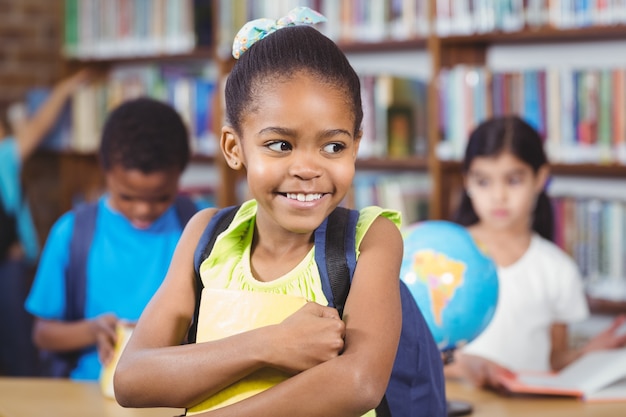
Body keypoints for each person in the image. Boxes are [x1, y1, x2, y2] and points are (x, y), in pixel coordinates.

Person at [114, 8, 405, 417]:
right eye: (281, 145)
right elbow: (131, 378)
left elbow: (359, 382)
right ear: (235, 149)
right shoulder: (206, 235)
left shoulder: (370, 238)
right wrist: (271, 344)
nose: (308, 168)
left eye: (333, 147)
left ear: (356, 146)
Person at [25, 96, 200, 380]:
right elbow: (43, 333)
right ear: (104, 170)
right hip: (87, 390)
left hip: (175, 391)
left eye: (161, 198)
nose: (142, 209)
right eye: (127, 196)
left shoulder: (201, 227)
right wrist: (92, 330)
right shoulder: (72, 233)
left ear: (180, 176)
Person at [446, 115, 626, 389]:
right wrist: (469, 365)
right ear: (467, 181)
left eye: (513, 180)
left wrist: (588, 355)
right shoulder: (443, 254)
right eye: (483, 181)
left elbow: (553, 361)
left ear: (540, 178)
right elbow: (416, 350)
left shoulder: (556, 269)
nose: (498, 195)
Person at [0, 70, 91, 376]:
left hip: (10, 263)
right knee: (19, 353)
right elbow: (37, 128)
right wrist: (63, 89)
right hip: (7, 264)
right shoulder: (4, 157)